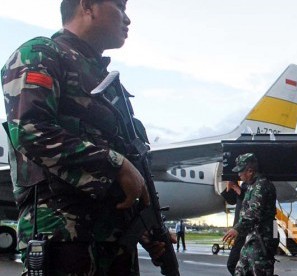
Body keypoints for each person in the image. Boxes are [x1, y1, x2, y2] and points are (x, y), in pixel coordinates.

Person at [1, 1, 170, 274]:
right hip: (65, 241)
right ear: (88, 6)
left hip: (114, 243)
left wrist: (142, 227)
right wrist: (115, 164)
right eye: (120, 6)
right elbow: (30, 131)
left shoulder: (108, 83)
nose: (127, 20)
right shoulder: (42, 53)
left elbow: (128, 158)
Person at [223, 153, 278, 276]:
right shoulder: (252, 186)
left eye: (241, 171)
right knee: (239, 271)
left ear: (250, 171)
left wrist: (237, 228)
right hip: (251, 239)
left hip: (261, 241)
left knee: (260, 272)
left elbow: (254, 211)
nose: (239, 174)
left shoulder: (261, 185)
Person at [221, 181, 249, 275]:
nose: (239, 174)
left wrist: (239, 191)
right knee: (233, 265)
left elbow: (253, 208)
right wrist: (229, 188)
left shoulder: (255, 186)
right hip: (239, 231)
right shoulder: (243, 186)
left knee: (233, 264)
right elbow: (232, 201)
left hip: (246, 232)